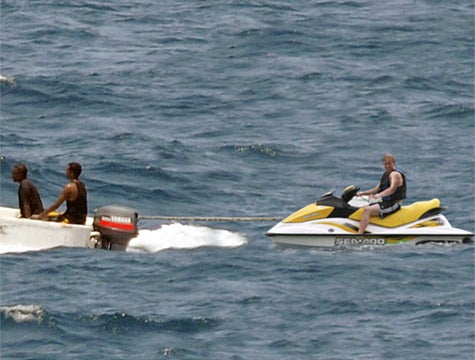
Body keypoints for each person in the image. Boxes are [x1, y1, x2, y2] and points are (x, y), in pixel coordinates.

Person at [356, 153, 406, 234]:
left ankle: (359, 235)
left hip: (393, 204)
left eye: (389, 164)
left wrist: (378, 196)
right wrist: (362, 194)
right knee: (359, 208)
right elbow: (376, 189)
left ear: (394, 163)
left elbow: (392, 189)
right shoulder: (385, 175)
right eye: (385, 164)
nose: (387, 166)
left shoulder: (395, 175)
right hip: (385, 203)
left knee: (366, 210)